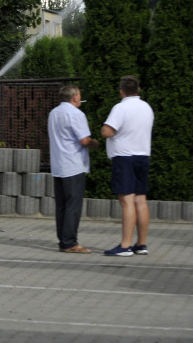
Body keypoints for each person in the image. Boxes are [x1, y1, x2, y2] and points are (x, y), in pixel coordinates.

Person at [101, 75, 155, 257]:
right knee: (141, 200)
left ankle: (125, 245)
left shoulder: (121, 107)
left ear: (121, 91)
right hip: (143, 155)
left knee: (127, 201)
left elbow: (107, 131)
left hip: (124, 157)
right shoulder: (146, 107)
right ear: (138, 89)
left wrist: (105, 131)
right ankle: (141, 244)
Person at [47, 84, 99, 254]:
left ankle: (63, 240)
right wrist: (95, 143)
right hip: (73, 164)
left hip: (58, 164)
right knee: (73, 205)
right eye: (79, 94)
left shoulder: (53, 113)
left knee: (62, 205)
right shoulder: (76, 114)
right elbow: (84, 140)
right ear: (75, 97)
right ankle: (70, 242)